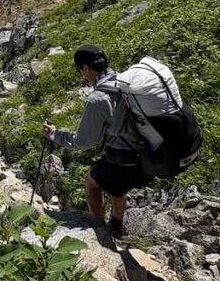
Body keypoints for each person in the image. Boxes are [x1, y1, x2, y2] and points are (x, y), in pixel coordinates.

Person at [42, 44, 149, 238]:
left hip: (125, 157)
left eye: (80, 70)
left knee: (91, 181)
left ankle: (99, 229)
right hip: (148, 151)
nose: (82, 74)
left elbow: (84, 142)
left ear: (86, 68)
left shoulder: (98, 99)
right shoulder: (125, 81)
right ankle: (116, 225)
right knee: (117, 185)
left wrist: (54, 135)